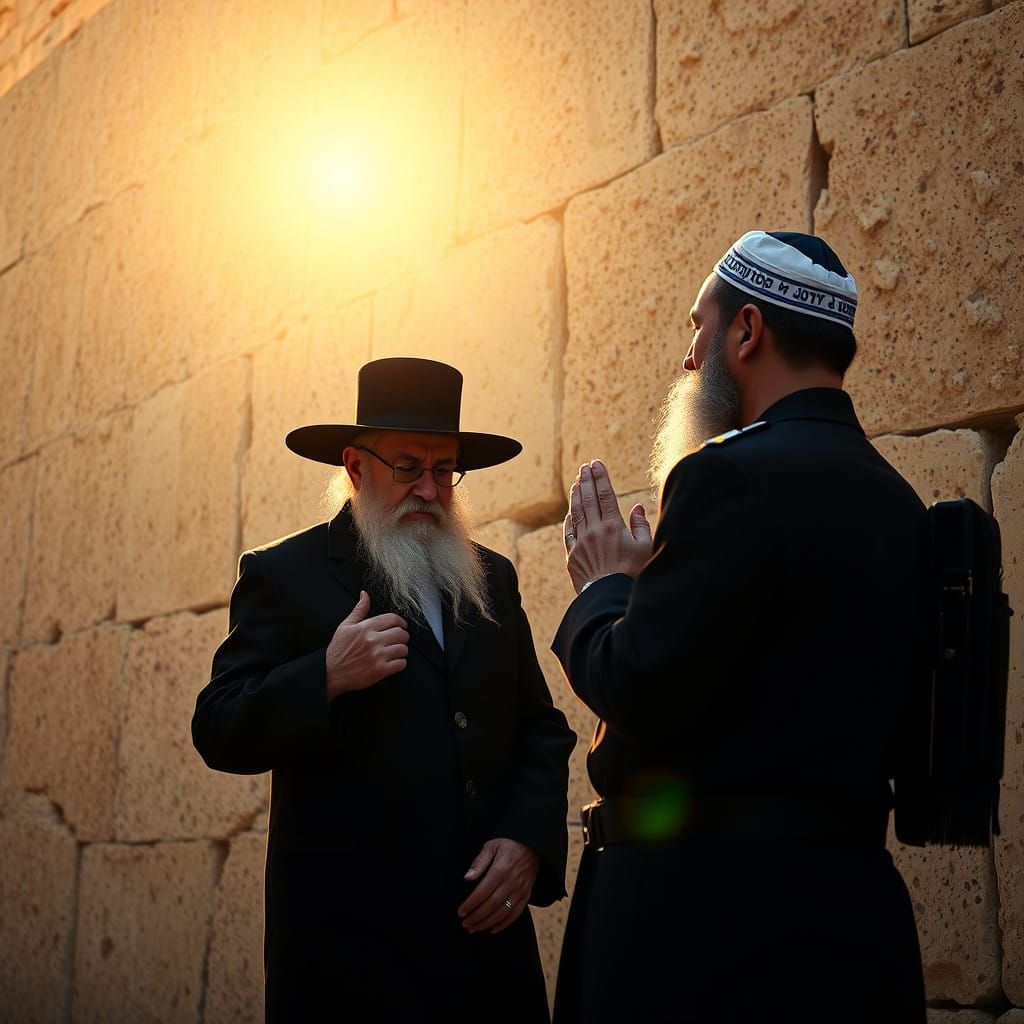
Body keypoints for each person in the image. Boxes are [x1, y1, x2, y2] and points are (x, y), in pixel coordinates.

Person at [551, 232, 927, 1023]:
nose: (691, 358)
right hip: (855, 923)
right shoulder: (897, 498)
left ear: (747, 331)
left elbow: (641, 688)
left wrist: (605, 591)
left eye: (700, 327)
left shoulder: (724, 473)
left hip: (708, 934)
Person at [192, 357, 575, 1023]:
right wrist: (326, 675)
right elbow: (218, 725)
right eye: (407, 466)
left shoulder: (492, 577)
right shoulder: (286, 575)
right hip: (354, 964)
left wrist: (525, 841)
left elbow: (539, 727)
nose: (428, 488)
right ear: (355, 465)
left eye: (443, 470)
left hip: (485, 957)